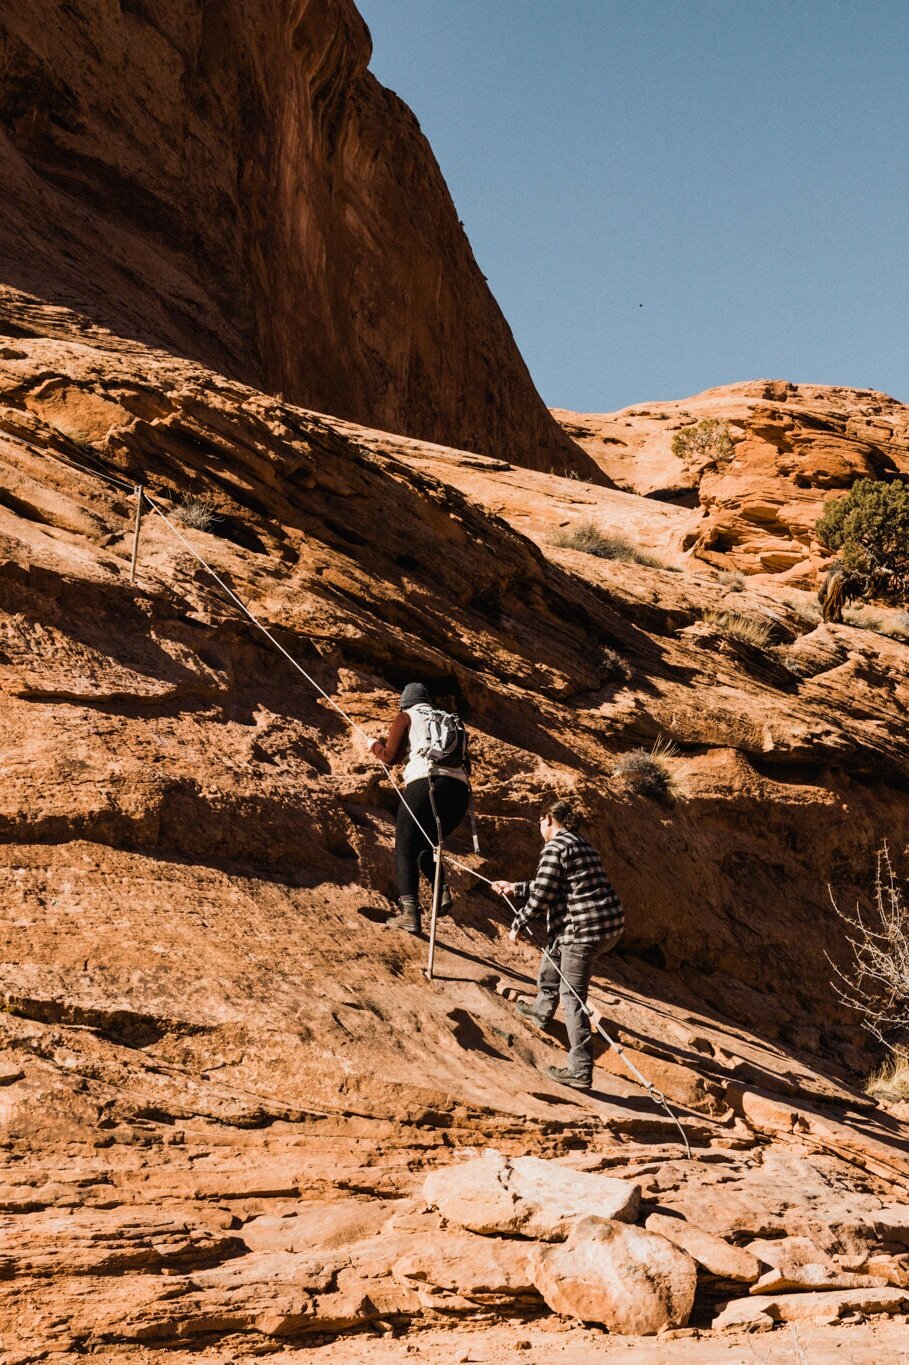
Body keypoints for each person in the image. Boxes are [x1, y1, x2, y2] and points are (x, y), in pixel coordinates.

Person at [492, 799, 623, 1091]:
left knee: (573, 995)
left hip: (583, 929)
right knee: (555, 951)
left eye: (540, 821)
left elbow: (543, 896)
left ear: (549, 819)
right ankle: (541, 1009)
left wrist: (518, 923)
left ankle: (580, 1070)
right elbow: (555, 884)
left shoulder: (554, 847)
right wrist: (514, 888)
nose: (539, 827)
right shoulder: (582, 844)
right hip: (608, 926)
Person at [369, 683, 470, 935]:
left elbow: (390, 756)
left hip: (426, 782)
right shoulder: (448, 721)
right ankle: (441, 891)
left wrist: (374, 746)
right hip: (459, 792)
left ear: (405, 703)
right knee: (426, 844)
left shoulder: (407, 716)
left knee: (405, 846)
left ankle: (409, 914)